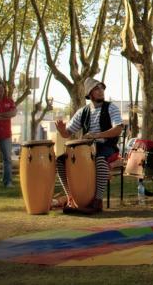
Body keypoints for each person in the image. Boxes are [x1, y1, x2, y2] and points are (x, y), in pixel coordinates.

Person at [54, 78, 123, 214]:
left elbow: (118, 129)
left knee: (100, 160)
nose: (101, 91)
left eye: (102, 88)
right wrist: (62, 130)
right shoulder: (83, 111)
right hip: (85, 150)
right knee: (60, 161)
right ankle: (70, 198)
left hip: (106, 147)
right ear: (90, 93)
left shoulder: (111, 107)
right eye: (97, 89)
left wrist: (97, 135)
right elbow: (67, 133)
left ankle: (97, 201)